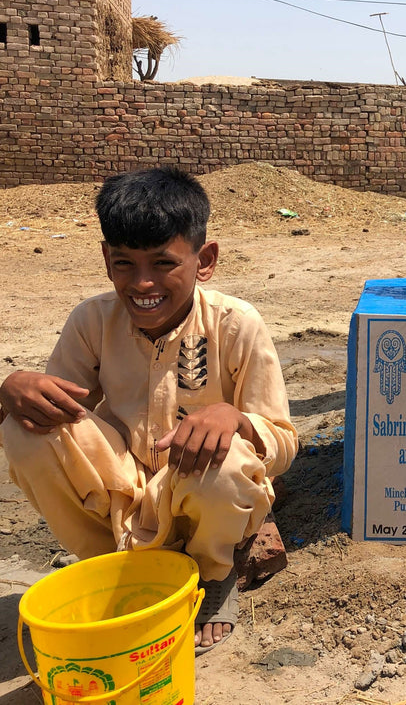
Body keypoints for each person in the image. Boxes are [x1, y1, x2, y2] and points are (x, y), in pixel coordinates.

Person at [0, 167, 297, 654]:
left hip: (197, 488)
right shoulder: (92, 321)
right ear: (106, 260)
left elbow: (283, 442)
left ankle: (210, 574)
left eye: (163, 264)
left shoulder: (236, 323)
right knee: (27, 430)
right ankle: (114, 568)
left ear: (205, 261)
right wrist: (11, 390)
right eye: (124, 264)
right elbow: (63, 417)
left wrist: (236, 420)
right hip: (125, 490)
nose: (142, 284)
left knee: (229, 461)